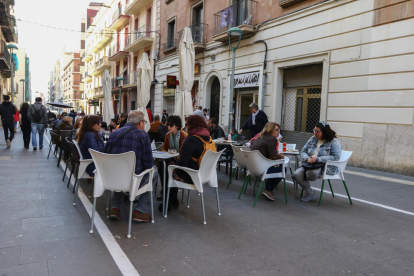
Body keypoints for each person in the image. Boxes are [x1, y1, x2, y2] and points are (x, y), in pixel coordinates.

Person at [106, 111, 158, 222]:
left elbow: (106, 154)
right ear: (140, 122)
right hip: (133, 180)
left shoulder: (114, 133)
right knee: (154, 172)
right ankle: (141, 211)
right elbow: (149, 164)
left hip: (113, 178)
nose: (144, 124)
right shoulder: (143, 136)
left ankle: (115, 207)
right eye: (144, 122)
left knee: (120, 170)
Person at [292, 121, 342, 202]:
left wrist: (318, 159)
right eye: (314, 130)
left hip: (324, 165)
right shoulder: (312, 139)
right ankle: (310, 192)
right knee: (296, 174)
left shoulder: (334, 141)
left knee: (311, 174)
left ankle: (303, 180)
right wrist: (307, 158)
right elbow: (303, 151)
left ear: (324, 132)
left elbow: (336, 157)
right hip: (309, 163)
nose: (315, 133)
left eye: (317, 131)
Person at [173, 114, 216, 187]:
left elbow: (183, 163)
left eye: (186, 124)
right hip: (207, 175)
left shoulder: (191, 140)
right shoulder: (209, 138)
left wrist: (173, 162)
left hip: (192, 176)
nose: (185, 127)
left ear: (191, 126)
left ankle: (170, 197)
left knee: (166, 168)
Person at [157, 115, 188, 207]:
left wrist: (175, 159)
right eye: (167, 125)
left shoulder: (184, 135)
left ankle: (168, 195)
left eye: (171, 125)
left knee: (168, 170)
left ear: (177, 126)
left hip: (180, 163)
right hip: (169, 160)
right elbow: (163, 149)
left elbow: (184, 153)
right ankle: (166, 191)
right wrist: (168, 156)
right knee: (161, 167)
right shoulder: (167, 135)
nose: (169, 127)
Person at [250, 122, 285, 201]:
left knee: (275, 166)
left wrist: (276, 155)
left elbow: (267, 154)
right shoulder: (272, 139)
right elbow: (273, 157)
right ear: (269, 130)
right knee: (283, 169)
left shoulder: (260, 137)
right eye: (276, 130)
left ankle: (268, 190)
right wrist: (280, 156)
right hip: (261, 169)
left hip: (252, 167)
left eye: (279, 130)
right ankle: (268, 190)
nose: (278, 132)